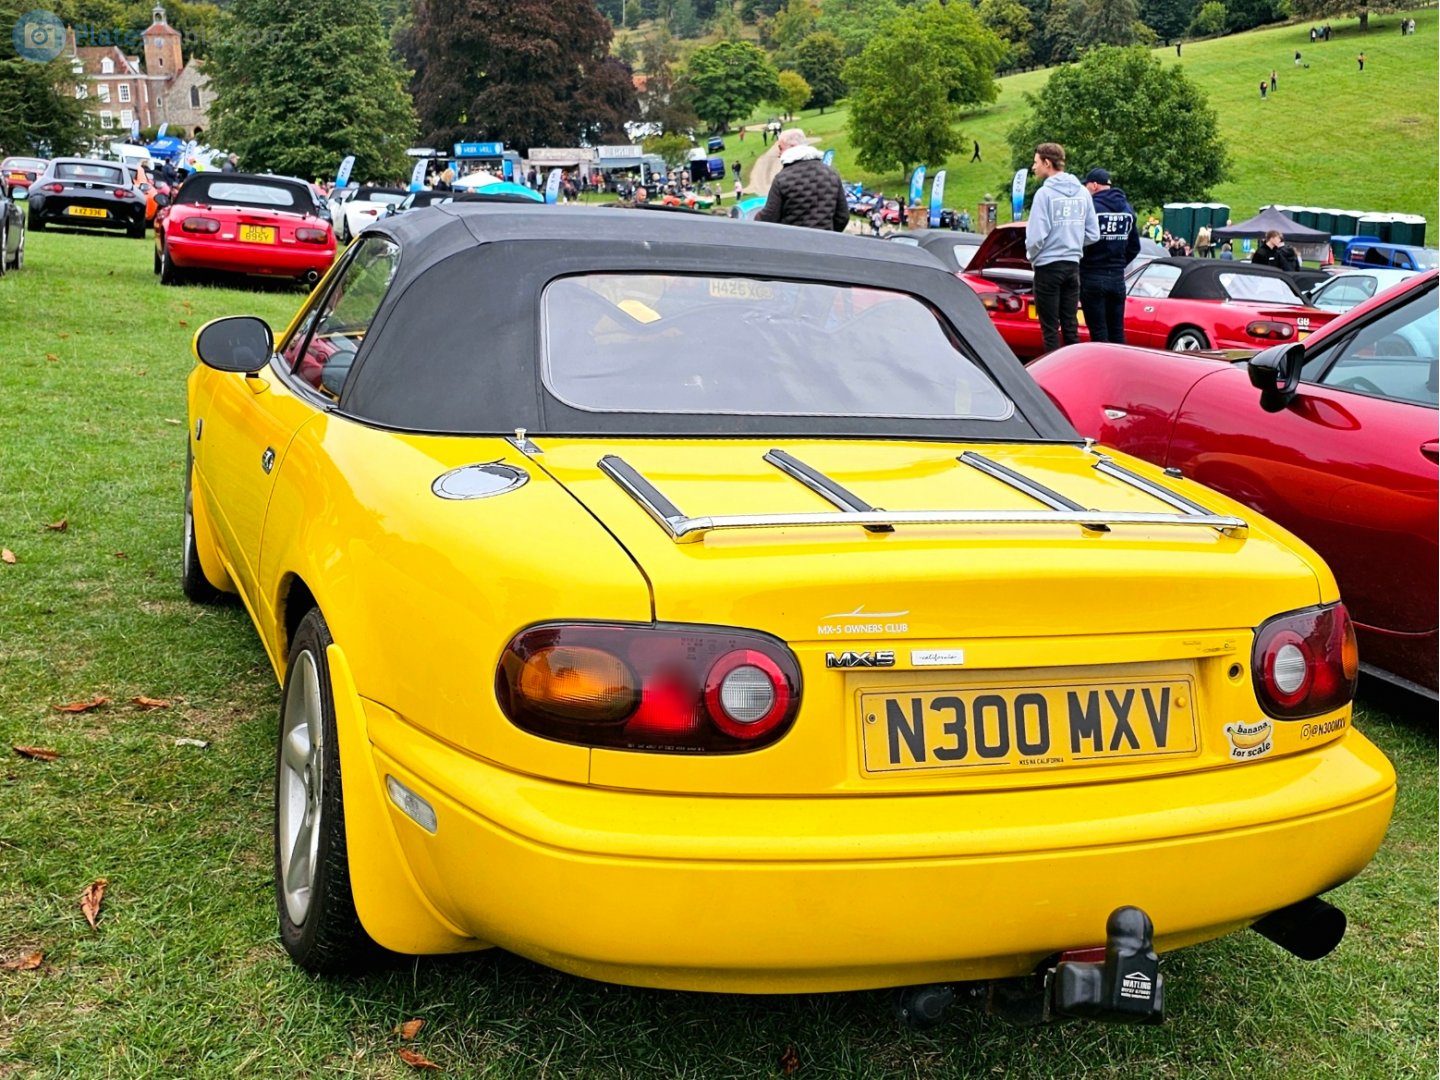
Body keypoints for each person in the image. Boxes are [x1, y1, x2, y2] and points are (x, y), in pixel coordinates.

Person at [1024, 142, 1099, 354]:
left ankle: (1050, 376)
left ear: (1047, 163)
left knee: (1049, 328)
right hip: (1072, 266)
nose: (1033, 167)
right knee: (1070, 326)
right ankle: (1072, 373)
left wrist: (1033, 257)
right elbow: (1094, 234)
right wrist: (1073, 243)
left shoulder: (1044, 194)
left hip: (1048, 265)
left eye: (1036, 162)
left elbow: (1036, 236)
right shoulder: (1083, 193)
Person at [1079, 168, 1140, 344]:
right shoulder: (1127, 210)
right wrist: (1119, 263)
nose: (1086, 189)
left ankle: (1102, 369)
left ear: (1095, 185)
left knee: (1098, 332)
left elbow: (1080, 240)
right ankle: (1119, 368)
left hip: (1092, 276)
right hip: (1117, 278)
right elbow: (1134, 246)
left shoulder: (1091, 209)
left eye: (1087, 185)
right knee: (1117, 332)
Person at [755, 128, 849, 232]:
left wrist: (753, 222)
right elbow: (843, 216)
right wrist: (828, 233)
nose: (779, 154)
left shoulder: (782, 179)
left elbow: (769, 217)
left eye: (780, 148)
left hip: (793, 243)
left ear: (792, 147)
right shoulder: (832, 174)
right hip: (825, 244)